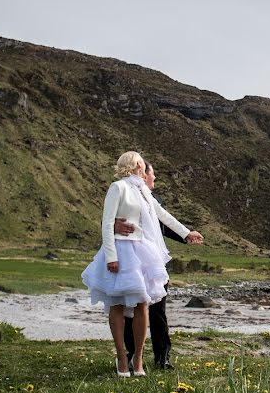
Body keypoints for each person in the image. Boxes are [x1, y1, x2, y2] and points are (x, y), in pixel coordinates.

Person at [81, 151, 170, 377]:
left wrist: (188, 233)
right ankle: (122, 357)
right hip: (120, 251)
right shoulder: (117, 187)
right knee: (118, 305)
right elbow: (107, 222)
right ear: (135, 165)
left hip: (141, 252)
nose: (144, 167)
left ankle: (138, 360)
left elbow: (164, 216)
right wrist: (111, 256)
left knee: (142, 304)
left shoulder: (144, 192)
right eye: (141, 163)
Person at [115, 161, 203, 370]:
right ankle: (131, 357)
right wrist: (112, 225)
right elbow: (109, 219)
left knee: (158, 311)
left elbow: (164, 221)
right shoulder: (123, 194)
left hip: (154, 262)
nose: (154, 179)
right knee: (130, 310)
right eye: (152, 174)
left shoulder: (155, 199)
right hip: (133, 260)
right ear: (143, 174)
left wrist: (186, 234)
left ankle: (162, 358)